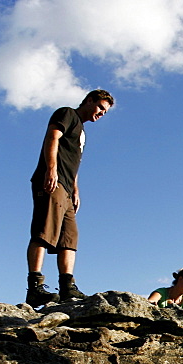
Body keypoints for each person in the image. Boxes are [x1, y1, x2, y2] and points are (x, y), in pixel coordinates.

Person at [25, 89, 115, 307]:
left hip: (66, 187)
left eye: (106, 112)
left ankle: (67, 288)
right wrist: (50, 170)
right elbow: (52, 137)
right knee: (44, 231)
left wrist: (75, 189)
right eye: (100, 107)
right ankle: (35, 287)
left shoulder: (83, 131)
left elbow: (74, 163)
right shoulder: (67, 114)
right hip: (52, 181)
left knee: (69, 237)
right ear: (89, 100)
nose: (102, 113)